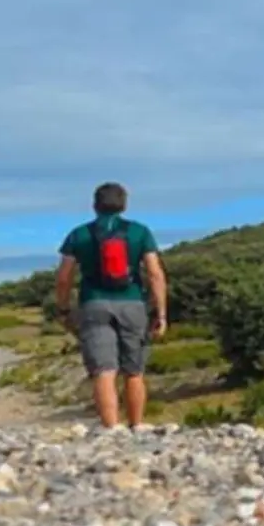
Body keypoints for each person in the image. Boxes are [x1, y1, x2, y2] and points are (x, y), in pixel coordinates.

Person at [53, 181, 167, 430]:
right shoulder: (140, 232)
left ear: (95, 205)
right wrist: (161, 313)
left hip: (93, 303)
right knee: (134, 370)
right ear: (124, 204)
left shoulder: (79, 234)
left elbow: (64, 277)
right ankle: (136, 425)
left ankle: (111, 429)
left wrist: (63, 308)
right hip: (133, 303)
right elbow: (155, 274)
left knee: (104, 369)